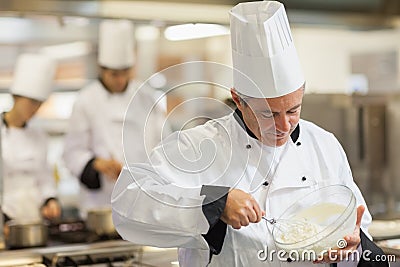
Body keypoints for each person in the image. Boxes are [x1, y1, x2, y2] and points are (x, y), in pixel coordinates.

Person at [111, 1, 387, 267]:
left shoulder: (324, 146)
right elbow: (127, 203)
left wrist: (351, 248)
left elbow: (355, 229)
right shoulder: (198, 146)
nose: (283, 126)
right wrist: (214, 204)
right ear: (238, 100)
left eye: (293, 110)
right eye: (267, 114)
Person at [63, 19, 168, 217]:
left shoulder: (146, 97)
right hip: (100, 205)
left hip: (142, 201)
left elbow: (162, 146)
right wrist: (97, 164)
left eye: (125, 73)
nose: (120, 80)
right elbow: (71, 153)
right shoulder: (86, 101)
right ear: (101, 69)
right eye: (114, 74)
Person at [1, 53, 61, 223]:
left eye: (39, 103)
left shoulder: (39, 137)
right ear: (15, 96)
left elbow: (44, 178)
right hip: (4, 221)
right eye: (31, 101)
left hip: (33, 221)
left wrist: (50, 200)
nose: (35, 108)